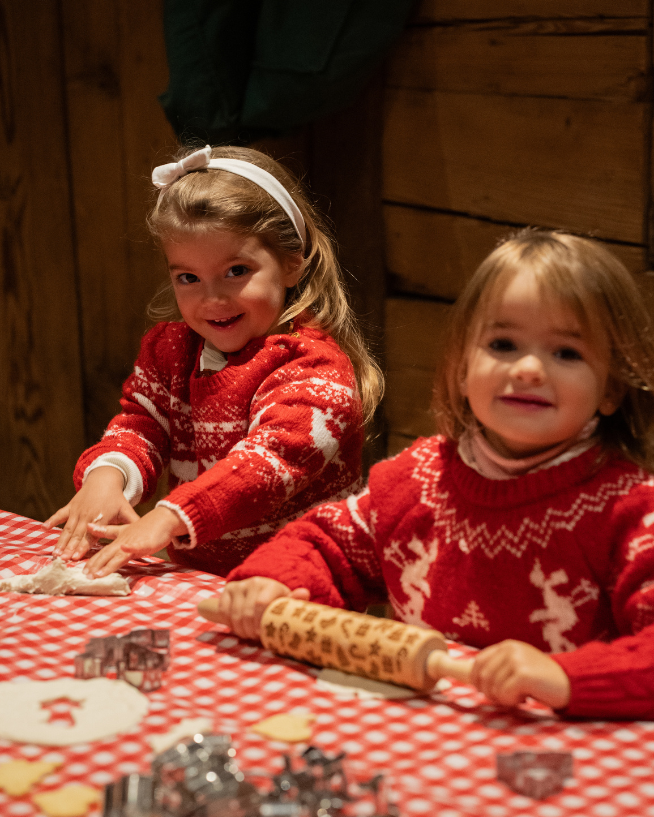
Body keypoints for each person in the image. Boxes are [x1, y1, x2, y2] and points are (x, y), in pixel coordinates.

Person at [213, 229, 654, 720]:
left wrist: (566, 678)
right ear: (462, 369)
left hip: (553, 753)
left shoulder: (634, 511)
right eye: (503, 344)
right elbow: (325, 546)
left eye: (566, 353)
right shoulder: (416, 481)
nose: (529, 369)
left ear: (612, 389)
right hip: (418, 740)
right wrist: (273, 581)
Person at [45, 145, 382, 578]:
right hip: (201, 582)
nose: (212, 298)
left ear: (292, 263)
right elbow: (142, 426)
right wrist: (108, 474)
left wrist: (169, 518)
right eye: (188, 277)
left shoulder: (316, 370)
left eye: (236, 271)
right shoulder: (170, 352)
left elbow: (265, 465)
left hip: (304, 584)